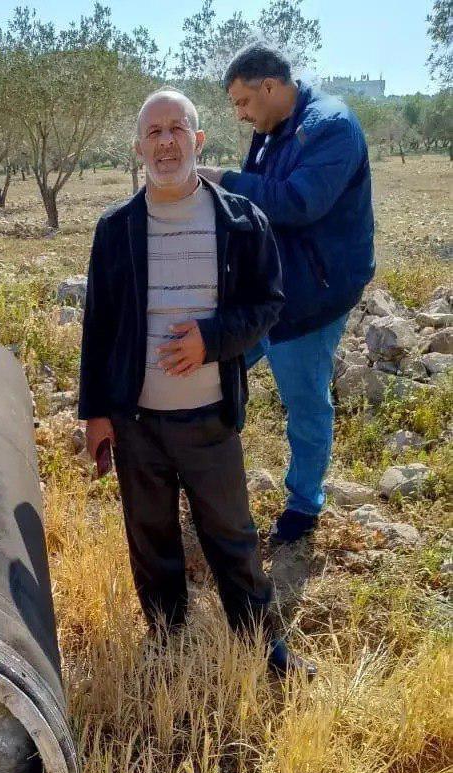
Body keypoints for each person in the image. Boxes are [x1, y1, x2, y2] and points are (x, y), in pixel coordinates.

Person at [79, 87, 314, 678]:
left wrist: (211, 339)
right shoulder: (116, 231)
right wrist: (97, 413)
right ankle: (166, 641)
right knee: (151, 539)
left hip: (209, 417)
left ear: (199, 139)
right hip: (137, 422)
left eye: (176, 129)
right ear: (139, 148)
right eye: (153, 133)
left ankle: (265, 650)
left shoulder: (240, 221)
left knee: (232, 537)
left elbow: (268, 304)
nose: (166, 142)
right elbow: (99, 328)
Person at [198, 44, 375, 544]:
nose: (240, 114)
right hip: (269, 288)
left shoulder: (330, 128)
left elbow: (298, 203)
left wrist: (223, 180)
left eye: (242, 102)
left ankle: (303, 506)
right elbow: (255, 204)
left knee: (304, 402)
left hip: (312, 294)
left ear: (271, 88)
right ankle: (207, 476)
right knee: (218, 370)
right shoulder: (269, 130)